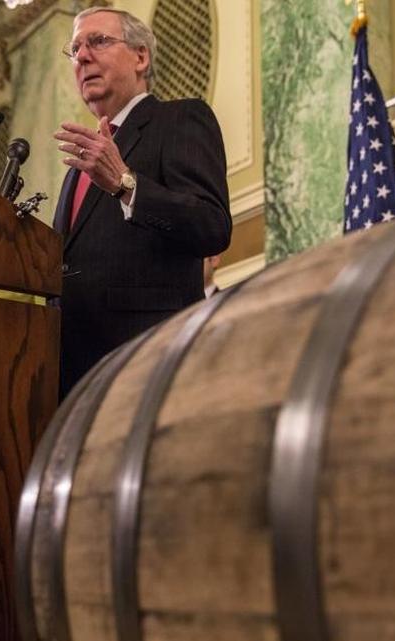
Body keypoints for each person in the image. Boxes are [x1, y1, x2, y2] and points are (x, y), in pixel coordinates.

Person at [51, 7, 232, 397]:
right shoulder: (79, 163)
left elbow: (211, 225)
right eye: (76, 48)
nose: (81, 56)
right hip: (68, 370)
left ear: (140, 56)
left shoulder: (181, 119)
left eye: (97, 41)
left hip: (144, 362)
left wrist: (126, 185)